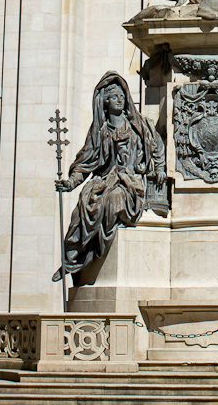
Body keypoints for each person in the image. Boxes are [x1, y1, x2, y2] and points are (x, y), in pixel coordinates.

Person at [52, 72, 166, 281]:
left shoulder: (139, 125)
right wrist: (70, 183)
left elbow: (156, 145)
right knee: (85, 205)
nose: (120, 100)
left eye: (122, 96)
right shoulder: (101, 131)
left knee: (113, 200)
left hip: (132, 182)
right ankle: (73, 257)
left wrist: (159, 168)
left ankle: (80, 257)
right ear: (105, 103)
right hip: (107, 179)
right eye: (115, 97)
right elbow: (86, 162)